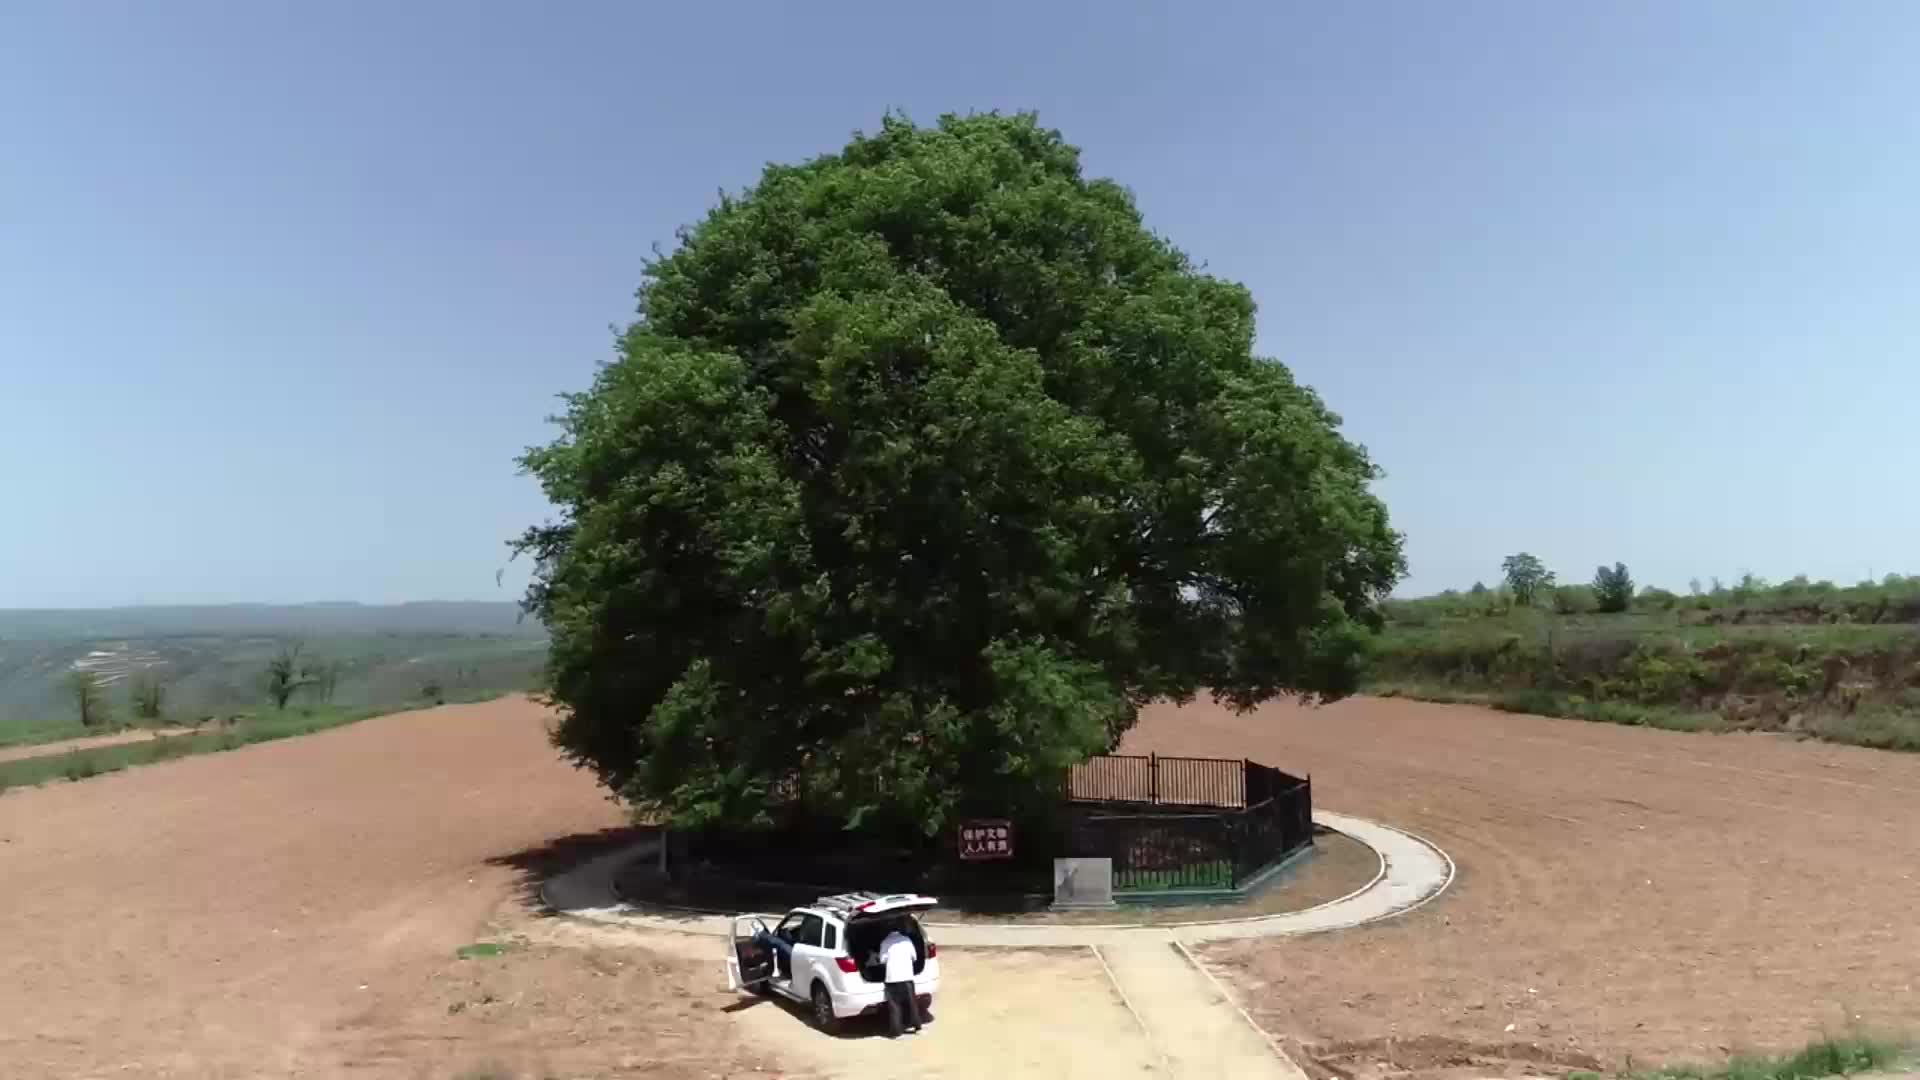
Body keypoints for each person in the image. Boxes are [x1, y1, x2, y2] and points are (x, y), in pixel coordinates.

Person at [875, 923, 921, 1036]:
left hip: (892, 978)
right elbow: (914, 957)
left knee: (895, 1005)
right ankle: (916, 1026)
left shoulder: (885, 942)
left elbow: (882, 960)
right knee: (911, 1003)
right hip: (907, 977)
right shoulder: (907, 940)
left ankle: (896, 1031)